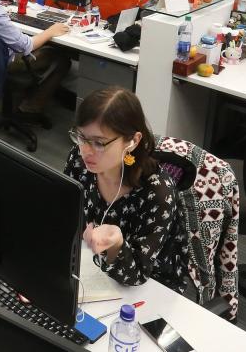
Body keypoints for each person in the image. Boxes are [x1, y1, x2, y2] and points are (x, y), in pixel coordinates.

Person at [66, 87, 189, 290]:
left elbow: (138, 274)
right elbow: (66, 213)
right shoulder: (79, 161)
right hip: (89, 263)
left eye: (99, 143)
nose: (85, 150)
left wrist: (116, 246)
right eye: (81, 137)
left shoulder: (158, 192)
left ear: (133, 141)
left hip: (150, 286)